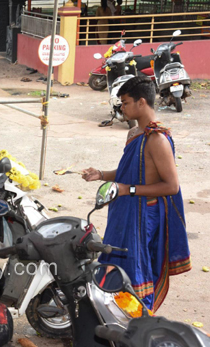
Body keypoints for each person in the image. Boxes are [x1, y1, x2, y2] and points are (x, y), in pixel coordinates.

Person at [82, 77, 191, 312]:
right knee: (113, 260)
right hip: (123, 212)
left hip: (143, 217)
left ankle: (138, 320)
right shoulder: (134, 134)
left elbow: (171, 186)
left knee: (136, 269)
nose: (122, 108)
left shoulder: (157, 139)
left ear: (142, 102)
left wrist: (127, 190)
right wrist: (100, 174)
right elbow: (127, 173)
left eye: (125, 102)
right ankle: (112, 316)